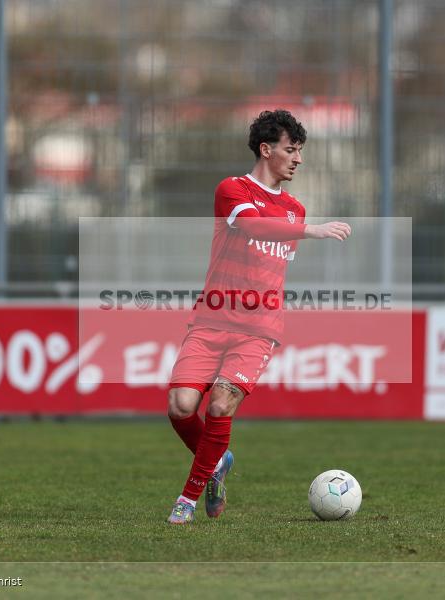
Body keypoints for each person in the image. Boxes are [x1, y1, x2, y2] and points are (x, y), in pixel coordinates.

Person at [165, 109, 351, 524]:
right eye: (291, 149)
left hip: (257, 330)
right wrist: (312, 231)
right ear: (266, 150)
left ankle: (187, 500)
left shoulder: (295, 208)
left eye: (300, 150)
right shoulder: (232, 189)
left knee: (220, 404)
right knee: (180, 406)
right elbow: (253, 229)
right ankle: (217, 460)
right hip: (211, 321)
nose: (298, 159)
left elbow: (271, 261)